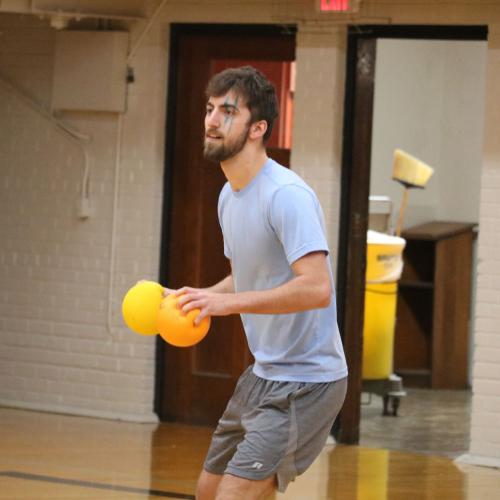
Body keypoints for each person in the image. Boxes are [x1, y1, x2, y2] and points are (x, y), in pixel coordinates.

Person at [169, 66, 348, 500]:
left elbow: (316, 288)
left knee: (233, 496)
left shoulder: (287, 196)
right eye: (209, 109)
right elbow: (248, 277)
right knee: (208, 492)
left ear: (258, 128)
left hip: (308, 381)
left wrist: (228, 307)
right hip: (262, 374)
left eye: (228, 111)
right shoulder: (228, 196)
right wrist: (202, 297)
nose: (212, 120)